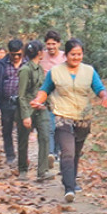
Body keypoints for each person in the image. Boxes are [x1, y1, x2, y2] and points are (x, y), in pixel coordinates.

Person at [30, 38, 107, 202]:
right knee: (67, 152)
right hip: (62, 115)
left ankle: (72, 180)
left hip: (83, 117)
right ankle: (69, 188)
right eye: (73, 54)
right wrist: (38, 100)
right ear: (66, 55)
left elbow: (99, 88)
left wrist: (105, 97)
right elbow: (45, 90)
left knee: (75, 153)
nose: (76, 57)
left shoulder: (89, 71)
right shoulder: (55, 72)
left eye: (79, 54)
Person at [17, 40, 54, 182]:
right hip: (27, 108)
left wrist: (48, 105)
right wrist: (25, 116)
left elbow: (44, 90)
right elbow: (21, 95)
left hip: (41, 108)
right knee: (23, 140)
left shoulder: (40, 69)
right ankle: (22, 170)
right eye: (42, 50)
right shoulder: (25, 70)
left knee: (44, 137)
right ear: (39, 53)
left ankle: (43, 171)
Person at [0, 39, 26, 166]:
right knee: (7, 129)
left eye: (18, 54)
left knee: (23, 130)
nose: (16, 57)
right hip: (6, 102)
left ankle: (22, 157)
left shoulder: (28, 64)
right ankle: (10, 155)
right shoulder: (1, 64)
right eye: (13, 54)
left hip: (22, 102)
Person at [40, 30, 67, 169]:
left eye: (53, 44)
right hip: (47, 96)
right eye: (48, 44)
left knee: (59, 126)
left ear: (58, 44)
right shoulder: (41, 56)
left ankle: (56, 151)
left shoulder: (64, 57)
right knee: (49, 125)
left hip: (62, 96)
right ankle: (50, 153)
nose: (50, 47)